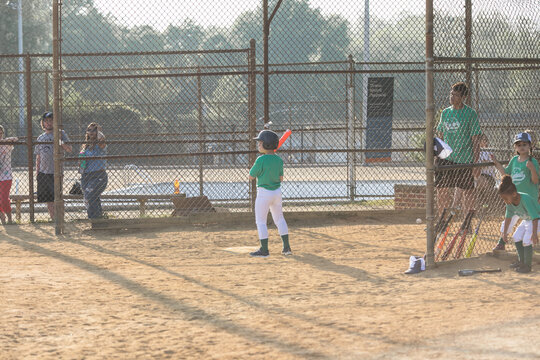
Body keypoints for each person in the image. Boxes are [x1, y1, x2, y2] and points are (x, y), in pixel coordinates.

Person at [435, 82, 482, 216]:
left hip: (464, 158)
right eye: (451, 94)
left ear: (463, 97)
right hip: (446, 157)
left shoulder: (470, 113)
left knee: (467, 192)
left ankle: (466, 223)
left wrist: (476, 162)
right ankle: (442, 220)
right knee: (441, 190)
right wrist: (438, 156)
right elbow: (441, 136)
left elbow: (475, 139)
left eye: (456, 95)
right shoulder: (445, 113)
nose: (452, 97)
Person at [492, 132, 540, 250]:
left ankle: (530, 244)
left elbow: (535, 181)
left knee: (530, 223)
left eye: (524, 144)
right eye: (518, 145)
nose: (521, 147)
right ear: (515, 147)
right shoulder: (514, 160)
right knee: (509, 219)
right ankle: (501, 242)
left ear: (529, 146)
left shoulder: (532, 161)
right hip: (514, 197)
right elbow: (506, 174)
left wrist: (532, 169)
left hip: (528, 198)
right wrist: (496, 163)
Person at [248, 130, 291, 257]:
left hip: (264, 193)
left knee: (261, 222)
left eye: (260, 143)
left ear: (267, 144)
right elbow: (281, 178)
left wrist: (259, 168)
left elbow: (251, 176)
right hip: (277, 193)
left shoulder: (260, 159)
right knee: (279, 219)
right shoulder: (278, 160)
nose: (258, 145)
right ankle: (286, 247)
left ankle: (264, 250)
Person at [497, 175, 539, 273]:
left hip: (537, 219)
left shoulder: (525, 199)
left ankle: (527, 266)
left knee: (527, 240)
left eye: (505, 198)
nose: (505, 201)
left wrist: (534, 233)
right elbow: (508, 218)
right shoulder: (510, 203)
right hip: (528, 220)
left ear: (514, 194)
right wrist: (505, 232)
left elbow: (535, 217)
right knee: (516, 236)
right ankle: (521, 261)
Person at [35, 112, 72, 220]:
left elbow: (69, 149)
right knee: (48, 199)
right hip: (43, 172)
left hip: (56, 171)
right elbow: (38, 157)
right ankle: (53, 219)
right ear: (43, 123)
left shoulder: (60, 133)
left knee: (58, 197)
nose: (48, 123)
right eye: (46, 121)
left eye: (51, 120)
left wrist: (59, 140)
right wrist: (37, 172)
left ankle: (60, 219)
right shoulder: (40, 138)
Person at [79, 122, 108, 219]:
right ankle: (96, 219)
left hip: (98, 175)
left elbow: (102, 140)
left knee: (90, 195)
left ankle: (95, 219)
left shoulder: (99, 144)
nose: (91, 132)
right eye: (89, 130)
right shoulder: (86, 145)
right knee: (92, 198)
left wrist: (99, 131)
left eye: (94, 130)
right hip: (86, 175)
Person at [0, 126, 18, 224]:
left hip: (5, 176)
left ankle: (9, 217)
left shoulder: (6, 144)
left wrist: (6, 141)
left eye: (0, 133)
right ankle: (2, 218)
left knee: (3, 199)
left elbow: (15, 139)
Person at [476, 133, 498, 204]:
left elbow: (485, 163)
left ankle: (488, 202)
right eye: (482, 140)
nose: (485, 142)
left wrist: (480, 164)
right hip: (478, 175)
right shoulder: (475, 151)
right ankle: (483, 203)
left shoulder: (488, 151)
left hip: (488, 176)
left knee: (479, 180)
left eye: (486, 140)